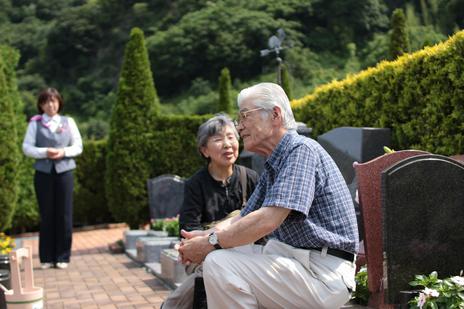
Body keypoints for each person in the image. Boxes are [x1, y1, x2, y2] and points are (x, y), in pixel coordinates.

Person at [178, 83, 359, 309]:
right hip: (296, 262)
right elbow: (242, 218)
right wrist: (203, 237)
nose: (239, 127)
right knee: (227, 252)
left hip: (322, 273)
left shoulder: (301, 150)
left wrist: (210, 244)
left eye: (244, 116)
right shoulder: (274, 163)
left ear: (275, 114)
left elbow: (267, 220)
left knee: (219, 261)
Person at [162, 114, 259, 309]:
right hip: (204, 252)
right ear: (205, 150)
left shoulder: (250, 177)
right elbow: (189, 229)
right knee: (211, 267)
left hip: (248, 250)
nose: (227, 144)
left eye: (231, 137)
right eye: (218, 139)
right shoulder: (195, 184)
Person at [22, 88, 83, 270]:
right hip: (43, 173)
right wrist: (44, 152)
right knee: (47, 214)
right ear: (41, 105)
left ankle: (63, 256)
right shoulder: (35, 123)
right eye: (47, 101)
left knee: (64, 213)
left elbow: (78, 146)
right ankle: (46, 257)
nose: (51, 105)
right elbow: (27, 147)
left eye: (54, 101)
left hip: (65, 172)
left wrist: (63, 152)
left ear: (59, 103)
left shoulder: (68, 121)